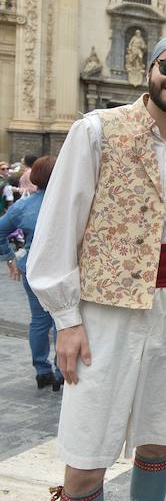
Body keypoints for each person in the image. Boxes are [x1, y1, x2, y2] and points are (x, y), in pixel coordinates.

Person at [27, 34, 166, 501]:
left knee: (158, 441)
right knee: (88, 451)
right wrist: (67, 321)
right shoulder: (96, 130)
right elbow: (58, 228)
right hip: (106, 313)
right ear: (148, 69)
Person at [0, 156, 64, 391]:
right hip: (63, 268)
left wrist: (10, 260)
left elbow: (1, 230)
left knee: (38, 321)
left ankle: (42, 371)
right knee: (62, 321)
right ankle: (61, 372)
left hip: (33, 267)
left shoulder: (22, 206)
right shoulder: (69, 203)